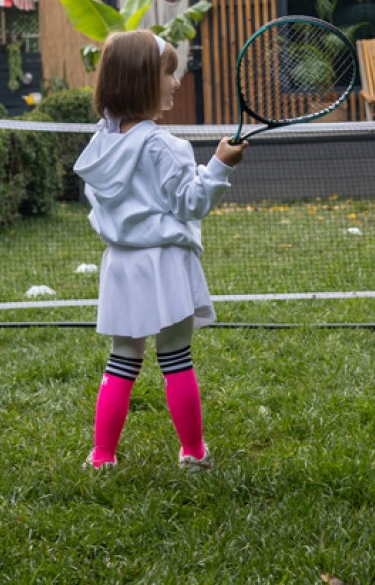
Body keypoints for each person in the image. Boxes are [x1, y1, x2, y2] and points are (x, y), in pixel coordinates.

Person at [73, 29, 247, 471]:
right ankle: (193, 453)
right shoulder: (165, 146)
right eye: (169, 73)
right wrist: (219, 166)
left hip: (121, 265)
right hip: (166, 263)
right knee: (176, 357)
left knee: (121, 360)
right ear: (143, 81)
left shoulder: (101, 144)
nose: (176, 81)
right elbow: (191, 203)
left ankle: (102, 456)